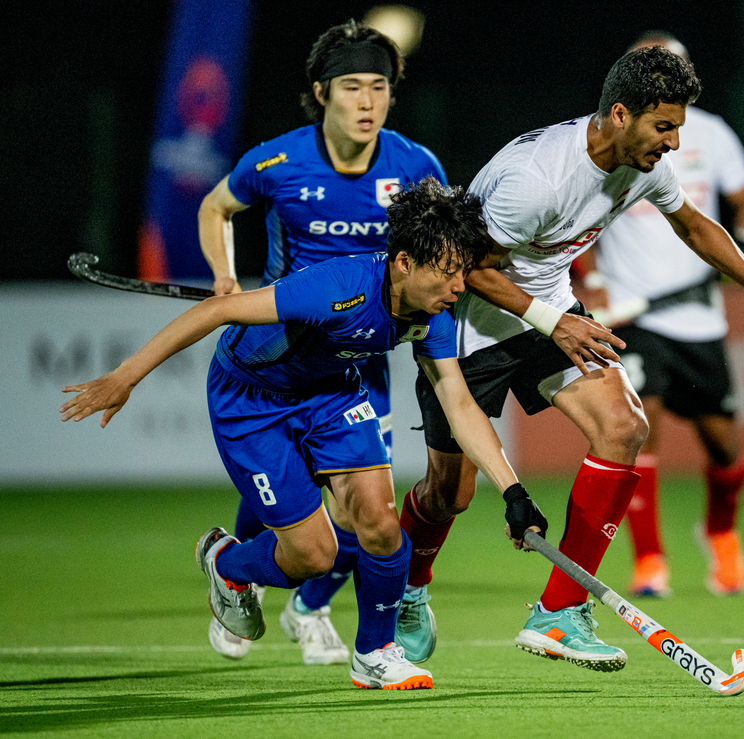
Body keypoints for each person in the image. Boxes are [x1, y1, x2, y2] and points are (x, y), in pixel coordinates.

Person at [399, 46, 744, 672]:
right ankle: (407, 593)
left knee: (623, 425)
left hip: (549, 308)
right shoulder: (537, 180)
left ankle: (560, 613)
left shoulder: (643, 164)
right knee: (449, 494)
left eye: (678, 127)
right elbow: (469, 269)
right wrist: (554, 321)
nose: (674, 143)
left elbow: (694, 226)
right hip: (469, 323)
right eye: (664, 126)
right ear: (621, 114)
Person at [61, 179, 549, 691]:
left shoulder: (433, 318)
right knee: (312, 557)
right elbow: (215, 311)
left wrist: (513, 492)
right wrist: (126, 377)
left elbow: (460, 404)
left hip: (332, 395)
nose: (459, 287)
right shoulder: (337, 287)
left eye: (463, 273)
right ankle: (226, 562)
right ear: (405, 262)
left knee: (383, 527)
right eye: (448, 273)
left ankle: (374, 654)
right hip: (252, 401)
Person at [197, 19, 446, 664]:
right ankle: (244, 573)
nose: (368, 101)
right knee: (292, 501)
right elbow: (215, 208)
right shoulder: (278, 161)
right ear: (322, 92)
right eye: (353, 86)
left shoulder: (416, 166)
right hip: (281, 354)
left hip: (360, 362)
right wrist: (225, 277)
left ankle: (309, 609)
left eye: (379, 87)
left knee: (369, 510)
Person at [577, 32, 744, 598]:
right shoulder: (614, 140)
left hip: (699, 318)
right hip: (633, 314)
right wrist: (595, 284)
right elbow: (575, 221)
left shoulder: (713, 135)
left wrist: (742, 250)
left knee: (725, 447)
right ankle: (650, 560)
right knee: (641, 434)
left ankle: (720, 531)